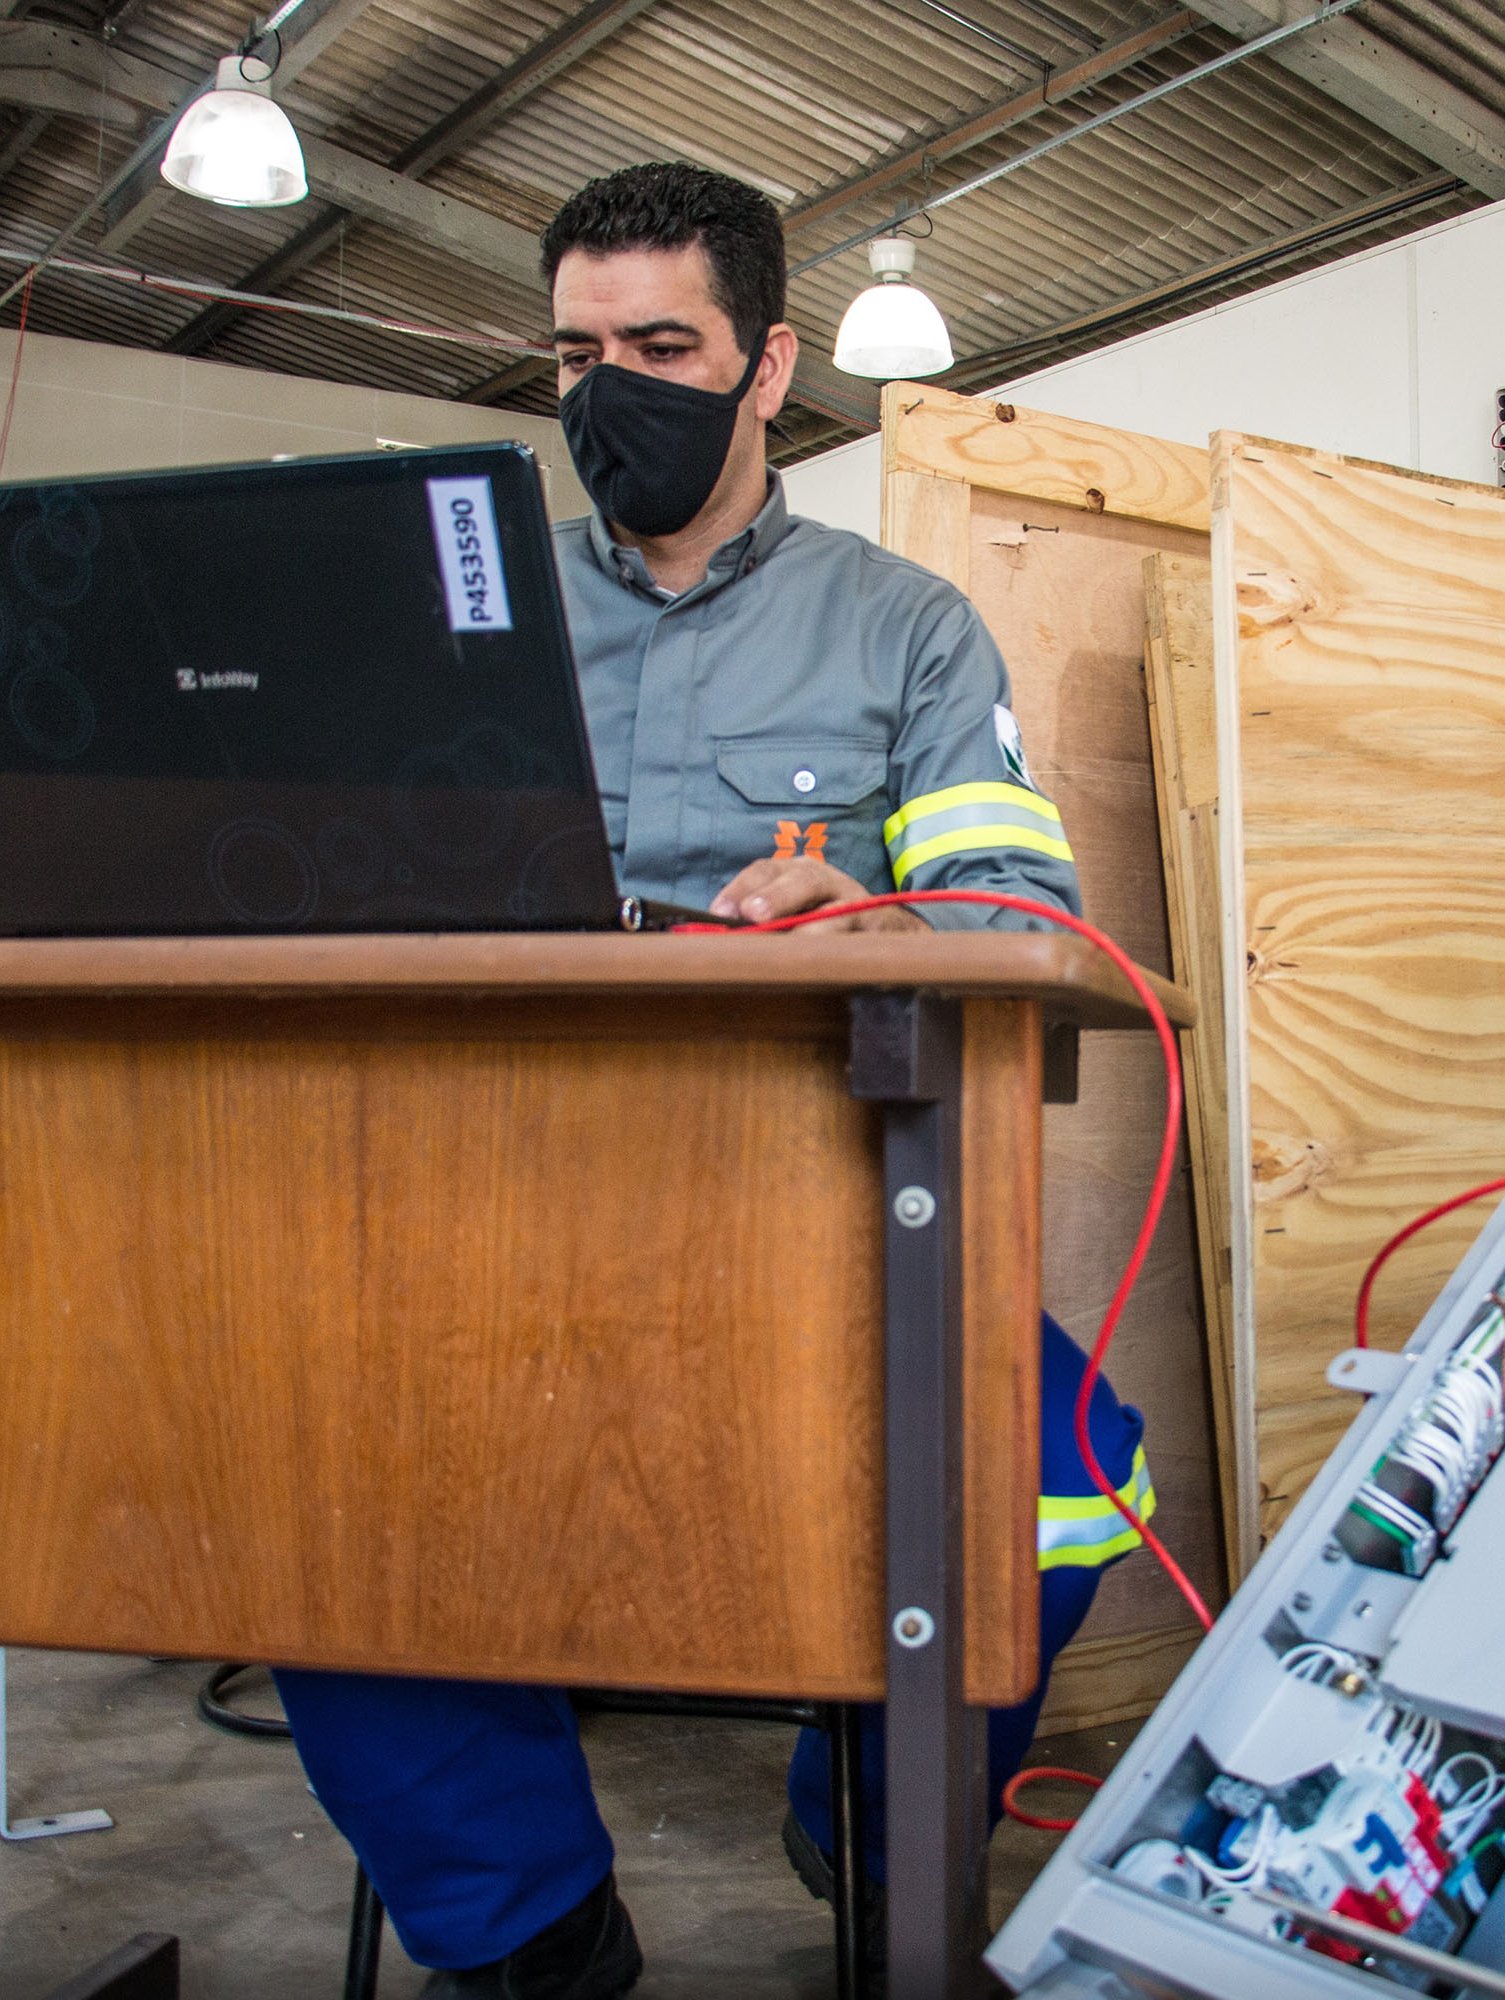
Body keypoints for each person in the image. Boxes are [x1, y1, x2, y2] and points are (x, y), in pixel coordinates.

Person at [269, 161, 1156, 2000]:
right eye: (576, 353)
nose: (612, 391)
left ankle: (880, 1830)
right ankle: (527, 1925)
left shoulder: (905, 629)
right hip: (477, 1213)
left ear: (768, 365)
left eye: (662, 348)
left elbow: (1025, 917)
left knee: (1067, 1475)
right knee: (281, 1475)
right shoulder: (455, 616)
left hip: (810, 1219)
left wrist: (876, 908)